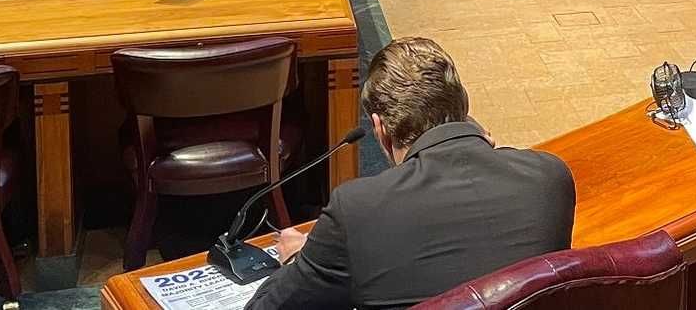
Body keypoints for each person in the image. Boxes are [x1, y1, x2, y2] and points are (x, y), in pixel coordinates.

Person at [246, 38, 574, 310]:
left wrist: (299, 259)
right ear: (463, 106)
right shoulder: (550, 176)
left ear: (379, 128)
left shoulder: (357, 208)